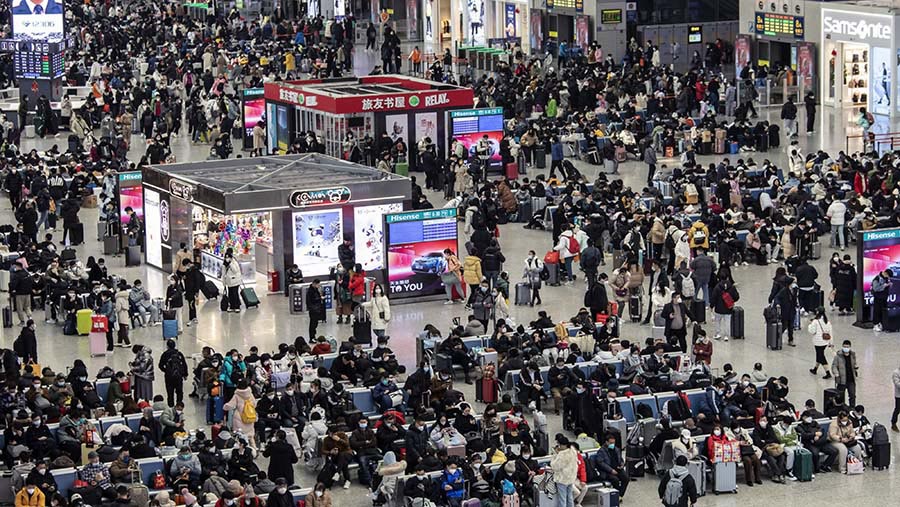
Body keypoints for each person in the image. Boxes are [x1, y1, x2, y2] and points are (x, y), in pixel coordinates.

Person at [592, 433, 629, 498]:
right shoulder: (602, 451)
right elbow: (600, 463)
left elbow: (620, 459)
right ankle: (616, 496)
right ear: (606, 442)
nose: (612, 444)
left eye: (613, 443)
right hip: (607, 471)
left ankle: (620, 495)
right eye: (611, 443)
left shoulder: (616, 449)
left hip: (618, 469)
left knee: (626, 478)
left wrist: (622, 464)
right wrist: (611, 470)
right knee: (615, 480)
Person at [549, 436, 578, 507]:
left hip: (562, 479)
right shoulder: (573, 451)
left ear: (562, 445)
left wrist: (555, 455)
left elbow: (554, 466)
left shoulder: (562, 455)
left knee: (562, 499)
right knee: (570, 498)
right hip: (571, 478)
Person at [158, 339, 189, 407]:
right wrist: (185, 374)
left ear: (167, 346)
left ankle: (171, 407)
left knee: (170, 393)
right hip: (178, 376)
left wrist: (166, 370)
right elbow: (184, 364)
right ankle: (179, 405)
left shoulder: (165, 354)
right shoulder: (179, 354)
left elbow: (160, 365)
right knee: (179, 392)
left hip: (169, 377)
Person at [808, 307, 833, 379]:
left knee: (821, 356)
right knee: (819, 355)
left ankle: (828, 372)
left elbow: (812, 331)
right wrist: (831, 342)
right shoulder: (827, 321)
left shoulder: (815, 321)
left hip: (818, 342)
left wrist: (810, 325)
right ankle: (815, 369)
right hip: (825, 342)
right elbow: (830, 332)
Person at [831, 339, 858, 407]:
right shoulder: (838, 356)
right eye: (844, 346)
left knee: (852, 396)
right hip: (842, 380)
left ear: (850, 347)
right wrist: (836, 373)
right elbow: (834, 366)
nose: (846, 348)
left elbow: (854, 363)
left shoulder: (852, 355)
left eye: (847, 347)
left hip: (851, 379)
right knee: (840, 396)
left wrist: (855, 367)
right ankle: (840, 408)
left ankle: (852, 408)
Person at [893, 363, 900, 432]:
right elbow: (897, 384)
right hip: (899, 395)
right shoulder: (896, 373)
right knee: (897, 409)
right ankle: (893, 423)